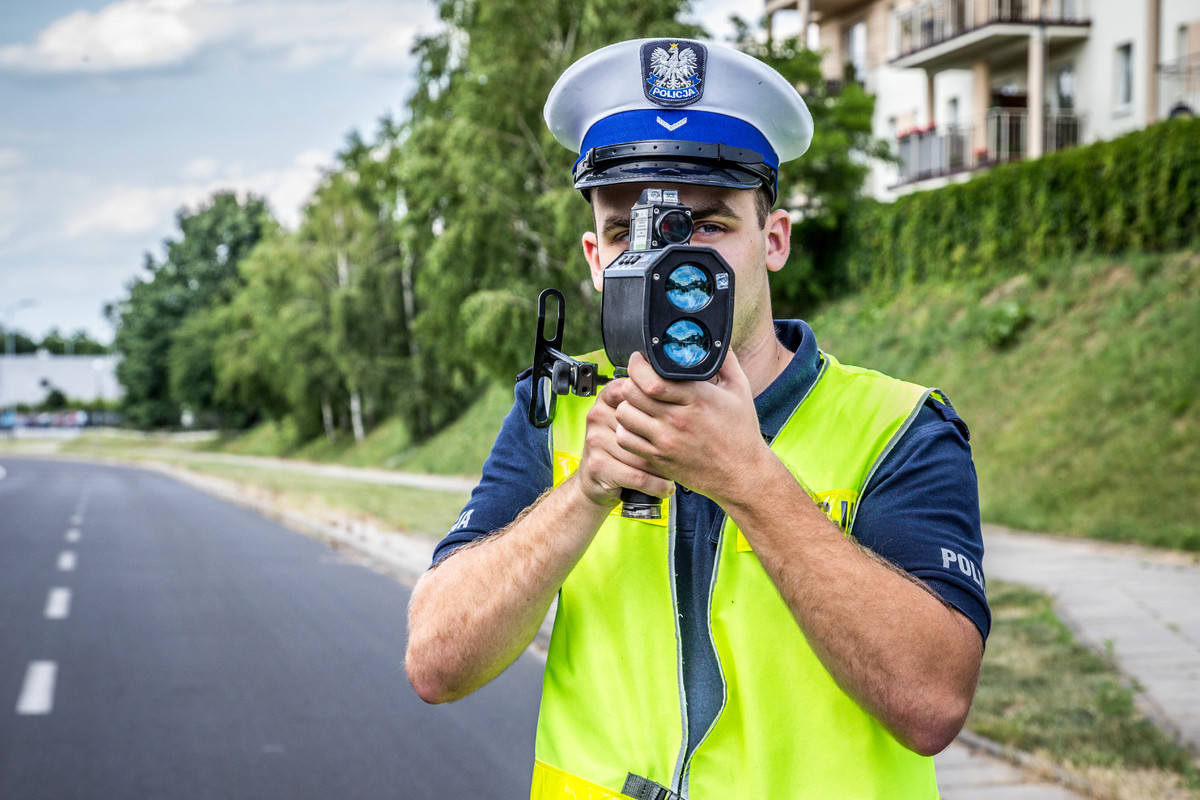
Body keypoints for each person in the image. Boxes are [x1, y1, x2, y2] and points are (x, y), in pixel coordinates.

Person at [406, 37, 989, 800]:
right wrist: (584, 492)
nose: (668, 266)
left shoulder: (897, 428)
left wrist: (751, 480)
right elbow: (436, 663)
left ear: (772, 240)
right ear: (594, 256)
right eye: (629, 234)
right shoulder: (558, 410)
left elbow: (933, 702)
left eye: (705, 227)